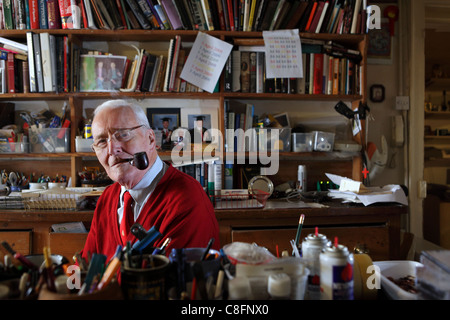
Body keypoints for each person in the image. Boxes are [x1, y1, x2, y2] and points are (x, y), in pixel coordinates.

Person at [80, 100, 220, 262]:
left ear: (151, 139)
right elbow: (86, 267)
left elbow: (173, 283)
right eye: (102, 141)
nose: (112, 150)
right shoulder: (107, 198)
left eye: (123, 134)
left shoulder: (187, 199)